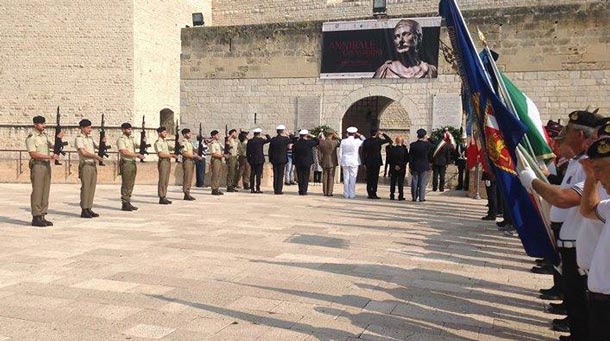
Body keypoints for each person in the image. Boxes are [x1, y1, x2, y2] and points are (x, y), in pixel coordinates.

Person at [519, 109, 603, 340]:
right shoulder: (579, 164)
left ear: (578, 134)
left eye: (567, 130)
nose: (563, 135)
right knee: (575, 302)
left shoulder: (590, 167)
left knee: (583, 304)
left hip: (580, 245)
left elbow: (564, 199)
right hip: (570, 241)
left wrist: (533, 182)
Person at [579, 135, 610, 341]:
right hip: (600, 302)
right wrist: (590, 177)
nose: (596, 176)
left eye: (599, 168)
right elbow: (588, 209)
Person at [25, 115, 62, 226]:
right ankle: (36, 217)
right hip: (38, 165)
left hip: (46, 166)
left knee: (45, 191)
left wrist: (59, 139)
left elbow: (53, 146)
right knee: (37, 191)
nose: (44, 126)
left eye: (44, 123)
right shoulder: (31, 137)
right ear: (35, 125)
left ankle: (42, 215)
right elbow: (33, 154)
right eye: (41, 124)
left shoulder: (45, 136)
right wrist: (49, 157)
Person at [373, 19, 437, 79]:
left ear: (418, 38)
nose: (400, 40)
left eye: (406, 34)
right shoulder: (384, 70)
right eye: (397, 36)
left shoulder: (431, 70)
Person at [75, 119, 104, 218]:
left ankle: (89, 208)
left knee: (92, 188)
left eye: (90, 127)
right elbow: (83, 152)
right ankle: (84, 209)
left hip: (92, 165)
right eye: (88, 127)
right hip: (86, 165)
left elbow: (98, 147)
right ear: (82, 128)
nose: (89, 129)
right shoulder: (79, 138)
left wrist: (103, 142)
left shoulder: (90, 138)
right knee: (86, 187)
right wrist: (95, 157)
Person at [116, 122, 145, 211]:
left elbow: (137, 145)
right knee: (126, 183)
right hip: (126, 163)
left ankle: (128, 201)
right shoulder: (121, 139)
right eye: (128, 129)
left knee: (131, 183)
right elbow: (123, 151)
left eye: (130, 129)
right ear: (123, 130)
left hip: (132, 163)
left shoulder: (131, 139)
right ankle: (124, 203)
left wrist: (143, 141)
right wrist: (136, 155)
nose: (130, 130)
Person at [361, 128, 392, 199]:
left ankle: (369, 193)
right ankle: (374, 193)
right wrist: (382, 134)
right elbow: (389, 140)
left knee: (369, 178)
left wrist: (364, 162)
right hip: (376, 161)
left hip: (368, 161)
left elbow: (363, 152)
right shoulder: (378, 140)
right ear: (376, 133)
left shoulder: (366, 141)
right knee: (375, 178)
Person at [339, 127, 365, 199]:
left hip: (345, 160)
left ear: (348, 133)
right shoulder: (357, 141)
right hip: (354, 161)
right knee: (353, 178)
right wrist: (359, 135)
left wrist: (341, 161)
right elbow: (365, 140)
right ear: (354, 134)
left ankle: (346, 193)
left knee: (346, 177)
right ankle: (352, 194)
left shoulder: (343, 141)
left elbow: (340, 152)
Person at [292, 129, 320, 195]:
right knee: (306, 176)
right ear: (306, 135)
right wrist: (312, 136)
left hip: (298, 161)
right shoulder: (309, 142)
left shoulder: (296, 143)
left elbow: (293, 141)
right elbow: (317, 141)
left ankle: (300, 190)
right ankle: (304, 190)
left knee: (300, 176)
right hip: (307, 162)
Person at [154, 127, 176, 205]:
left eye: (165, 132)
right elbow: (160, 154)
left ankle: (164, 195)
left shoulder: (165, 141)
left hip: (167, 161)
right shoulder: (158, 142)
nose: (165, 133)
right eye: (164, 132)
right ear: (159, 133)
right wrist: (170, 155)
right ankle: (161, 196)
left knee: (166, 180)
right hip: (163, 161)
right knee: (162, 179)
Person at [409, 128, 432, 202]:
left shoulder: (412, 145)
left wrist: (410, 166)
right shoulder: (427, 144)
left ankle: (414, 197)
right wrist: (429, 138)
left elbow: (410, 156)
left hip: (415, 165)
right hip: (424, 165)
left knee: (414, 182)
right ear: (424, 136)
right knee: (422, 182)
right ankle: (421, 197)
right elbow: (434, 144)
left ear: (417, 136)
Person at [268, 125, 292, 194]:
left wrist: (270, 159)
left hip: (274, 159)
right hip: (282, 159)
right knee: (281, 175)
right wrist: (289, 135)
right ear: (283, 131)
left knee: (276, 174)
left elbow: (270, 150)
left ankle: (275, 189)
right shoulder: (285, 139)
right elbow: (293, 140)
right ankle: (279, 190)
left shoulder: (273, 139)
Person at [180, 128, 202, 200]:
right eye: (188, 133)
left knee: (190, 177)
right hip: (187, 161)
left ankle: (188, 192)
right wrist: (193, 156)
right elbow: (184, 153)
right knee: (187, 177)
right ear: (184, 134)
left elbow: (193, 151)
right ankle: (186, 193)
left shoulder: (189, 142)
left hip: (191, 161)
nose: (190, 134)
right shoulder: (183, 143)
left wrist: (197, 156)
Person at [246, 128, 270, 193]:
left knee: (252, 174)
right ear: (259, 134)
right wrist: (266, 134)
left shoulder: (250, 141)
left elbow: (247, 151)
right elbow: (269, 140)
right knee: (258, 175)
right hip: (259, 159)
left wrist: (248, 159)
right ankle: (257, 188)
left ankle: (252, 188)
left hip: (252, 159)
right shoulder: (260, 140)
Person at [318, 130, 341, 196]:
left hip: (324, 160)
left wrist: (320, 161)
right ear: (332, 135)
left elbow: (319, 153)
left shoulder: (322, 142)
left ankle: (325, 192)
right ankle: (329, 192)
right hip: (332, 161)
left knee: (325, 176)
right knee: (331, 177)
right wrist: (337, 137)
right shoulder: (335, 142)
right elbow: (342, 142)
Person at [387, 136, 409, 200]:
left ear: (396, 142)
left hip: (393, 168)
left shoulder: (392, 149)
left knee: (393, 182)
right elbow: (406, 159)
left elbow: (389, 159)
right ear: (402, 142)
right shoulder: (404, 150)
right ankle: (400, 195)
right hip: (401, 168)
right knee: (400, 182)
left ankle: (392, 195)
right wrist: (400, 165)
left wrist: (394, 165)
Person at [209, 130, 224, 195]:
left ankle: (217, 187)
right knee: (215, 174)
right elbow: (213, 153)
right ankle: (214, 189)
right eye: (217, 135)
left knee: (219, 174)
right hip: (215, 159)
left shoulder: (218, 143)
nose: (219, 136)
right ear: (213, 136)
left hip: (219, 159)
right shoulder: (213, 143)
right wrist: (221, 155)